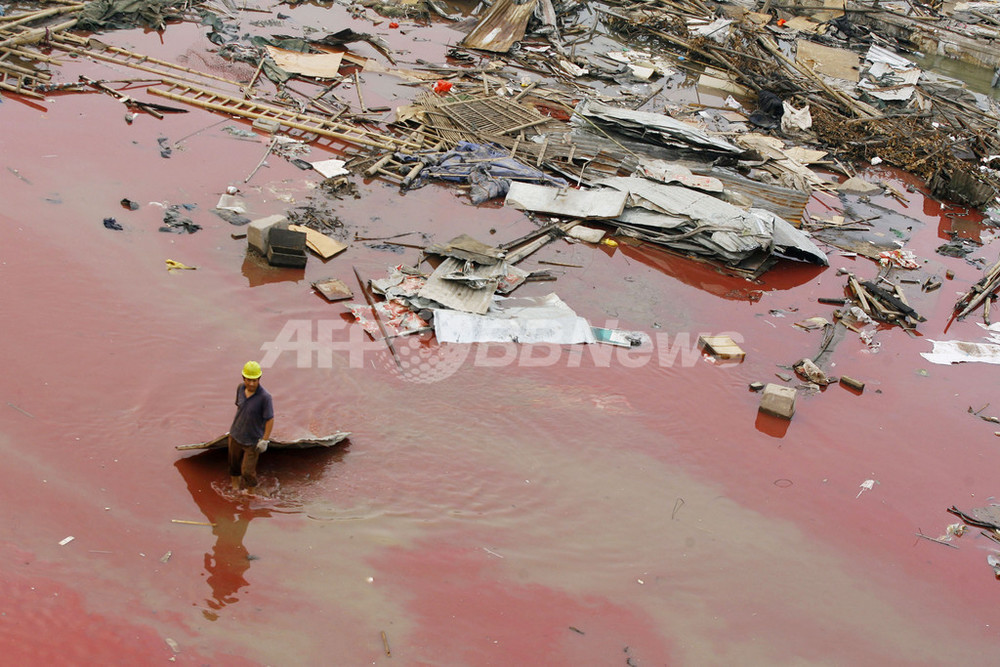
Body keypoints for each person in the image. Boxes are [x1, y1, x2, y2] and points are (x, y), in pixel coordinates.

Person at [228, 361, 274, 492]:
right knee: (233, 465)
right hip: (235, 435)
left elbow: (270, 419)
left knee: (247, 471)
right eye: (249, 380)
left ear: (259, 379)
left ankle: (250, 494)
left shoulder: (265, 397)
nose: (252, 383)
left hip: (252, 441)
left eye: (255, 380)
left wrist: (264, 440)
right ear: (243, 378)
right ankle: (235, 489)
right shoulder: (240, 389)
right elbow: (240, 408)